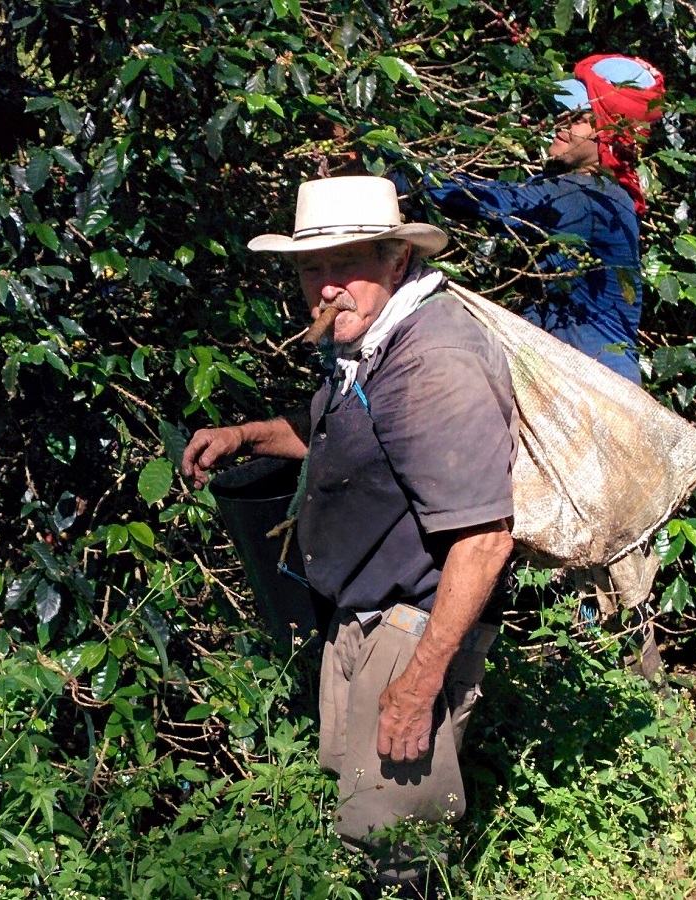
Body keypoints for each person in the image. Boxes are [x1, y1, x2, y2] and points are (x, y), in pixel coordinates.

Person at [180, 175, 516, 895]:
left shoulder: (433, 362)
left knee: (396, 839)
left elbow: (485, 539)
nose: (327, 287)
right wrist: (246, 436)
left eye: (348, 264)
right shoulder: (373, 341)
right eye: (312, 269)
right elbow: (347, 431)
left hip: (413, 623)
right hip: (366, 616)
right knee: (361, 813)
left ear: (398, 260)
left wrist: (419, 683)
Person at [398, 54, 665, 384]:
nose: (561, 124)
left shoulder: (590, 198)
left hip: (594, 385)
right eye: (564, 113)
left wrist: (403, 173)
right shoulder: (595, 191)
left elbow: (492, 201)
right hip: (574, 373)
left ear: (610, 136)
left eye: (578, 119)